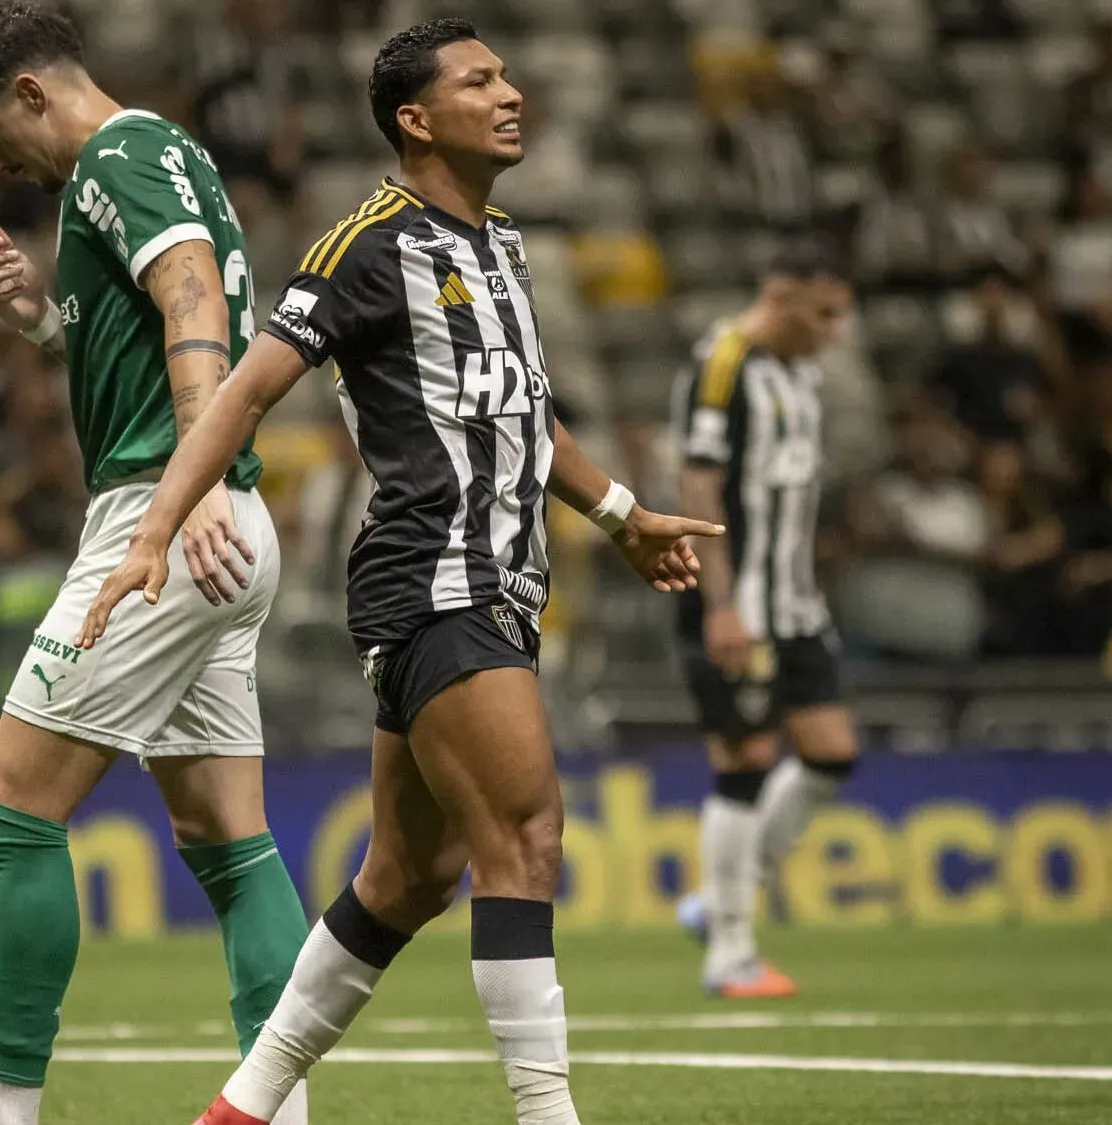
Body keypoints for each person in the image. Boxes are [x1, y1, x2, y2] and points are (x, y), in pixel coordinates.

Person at [78, 19, 721, 1125]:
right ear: (416, 121)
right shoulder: (363, 247)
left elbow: (523, 410)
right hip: (434, 575)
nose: (510, 93)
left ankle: (240, 1108)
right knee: (525, 836)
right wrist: (154, 529)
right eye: (480, 81)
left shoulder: (501, 241)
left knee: (406, 877)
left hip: (502, 581)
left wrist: (618, 515)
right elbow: (242, 391)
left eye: (506, 74)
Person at [0, 4, 309, 1123]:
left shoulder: (116, 153)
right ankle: (279, 1111)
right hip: (222, 519)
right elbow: (149, 331)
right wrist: (44, 324)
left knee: (14, 814)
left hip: (171, 516)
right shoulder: (159, 155)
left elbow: (190, 290)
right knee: (229, 842)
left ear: (32, 92)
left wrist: (190, 479)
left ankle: (4, 1114)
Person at [668, 246, 862, 998]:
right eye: (824, 314)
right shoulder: (723, 364)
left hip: (794, 603)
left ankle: (717, 902)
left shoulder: (802, 374)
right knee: (745, 758)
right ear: (780, 296)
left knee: (830, 753)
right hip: (735, 603)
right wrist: (720, 605)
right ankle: (730, 953)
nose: (834, 332)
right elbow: (699, 485)